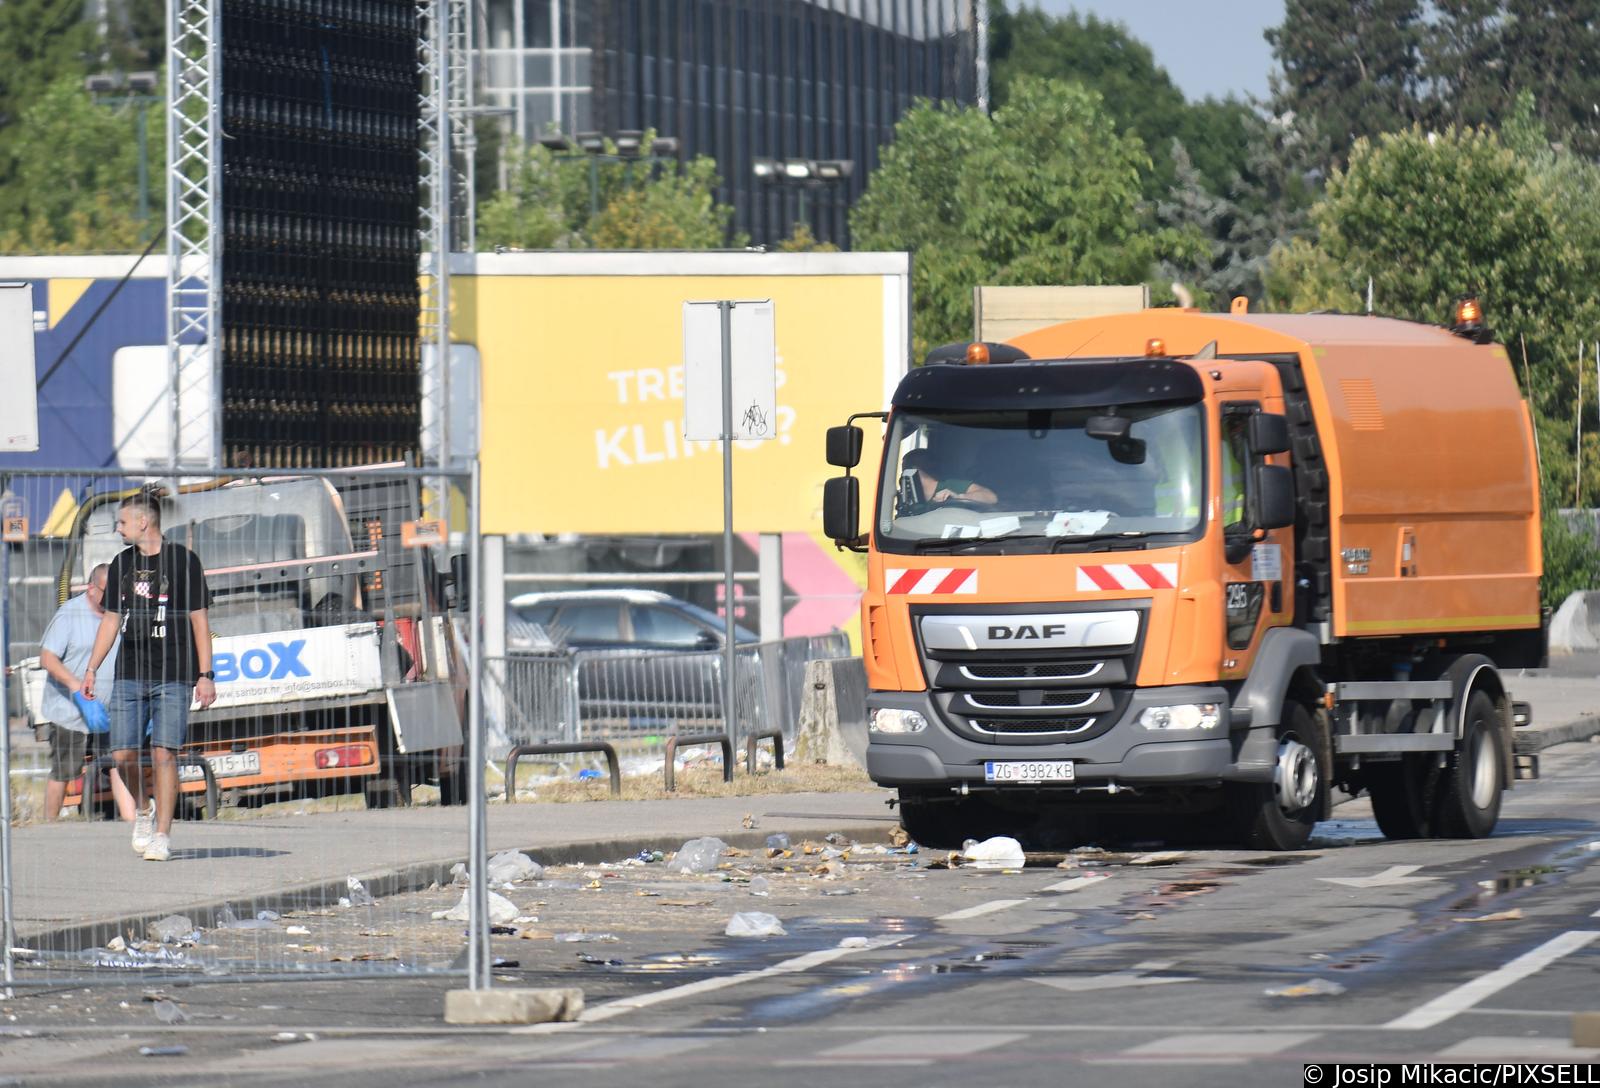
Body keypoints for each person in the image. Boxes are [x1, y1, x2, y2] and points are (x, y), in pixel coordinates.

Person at [81, 493, 217, 862]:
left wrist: (205, 674)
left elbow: (199, 620)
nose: (118, 528)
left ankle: (162, 835)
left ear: (144, 522)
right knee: (122, 753)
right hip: (129, 673)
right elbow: (110, 620)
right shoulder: (121, 562)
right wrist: (92, 668)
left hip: (174, 673)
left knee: (164, 754)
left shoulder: (183, 561)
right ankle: (144, 809)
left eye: (122, 522)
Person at [37, 564, 136, 822]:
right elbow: (47, 658)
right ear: (91, 589)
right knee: (64, 771)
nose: (114, 598)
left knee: (118, 764)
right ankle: (49, 827)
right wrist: (75, 687)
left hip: (108, 710)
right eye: (107, 592)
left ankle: (134, 825)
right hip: (69, 712)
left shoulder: (120, 614)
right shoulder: (69, 615)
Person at [901, 447, 998, 506]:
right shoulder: (908, 498)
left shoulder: (951, 485)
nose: (903, 473)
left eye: (906, 468)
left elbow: (991, 497)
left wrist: (959, 497)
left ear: (915, 469)